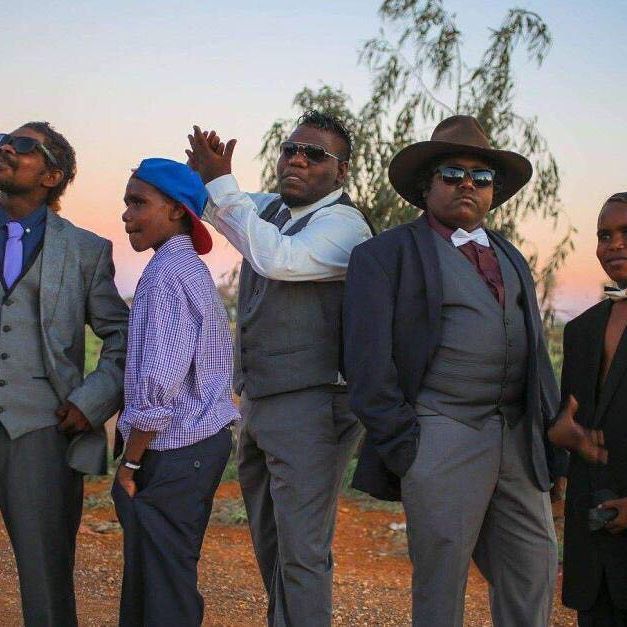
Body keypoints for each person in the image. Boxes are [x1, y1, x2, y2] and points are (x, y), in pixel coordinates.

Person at [344, 115, 566, 627]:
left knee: (533, 565)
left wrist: (550, 445)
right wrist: (407, 445)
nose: (468, 184)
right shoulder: (384, 256)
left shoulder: (510, 256)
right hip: (439, 430)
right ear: (427, 185)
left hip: (515, 436)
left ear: (493, 192)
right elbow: (366, 363)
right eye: (452, 173)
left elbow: (534, 353)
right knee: (441, 581)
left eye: (481, 177)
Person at [186, 110, 373, 626]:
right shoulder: (273, 212)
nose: (297, 159)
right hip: (262, 402)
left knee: (302, 551)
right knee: (271, 543)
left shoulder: (344, 226)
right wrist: (192, 175)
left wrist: (222, 184)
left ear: (342, 172)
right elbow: (218, 207)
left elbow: (279, 261)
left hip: (313, 407)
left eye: (315, 155)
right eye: (291, 149)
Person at [0, 123, 128, 626]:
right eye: (4, 139)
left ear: (52, 175)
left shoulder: (85, 250)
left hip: (41, 433)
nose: (7, 147)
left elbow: (121, 337)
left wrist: (91, 400)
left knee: (46, 578)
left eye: (24, 145)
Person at [112, 158, 238, 627]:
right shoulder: (183, 268)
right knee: (163, 574)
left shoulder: (167, 275)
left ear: (178, 211)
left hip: (175, 450)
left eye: (138, 202)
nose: (126, 215)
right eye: (127, 203)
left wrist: (130, 461)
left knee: (164, 585)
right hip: (195, 447)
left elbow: (159, 383)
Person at [549, 193, 627, 626]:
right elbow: (571, 422)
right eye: (604, 235)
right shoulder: (581, 331)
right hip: (593, 546)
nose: (614, 244)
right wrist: (562, 438)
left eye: (625, 233)